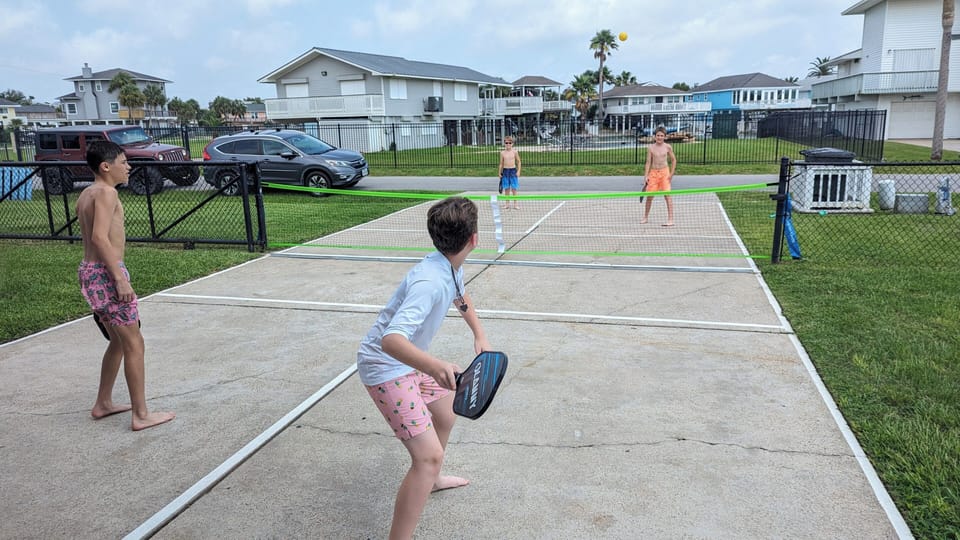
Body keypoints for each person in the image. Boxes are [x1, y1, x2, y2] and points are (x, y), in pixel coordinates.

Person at [357, 197, 491, 540]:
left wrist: (479, 334)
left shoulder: (449, 265)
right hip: (386, 366)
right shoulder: (428, 283)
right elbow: (392, 340)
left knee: (445, 413)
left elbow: (461, 296)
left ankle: (432, 479)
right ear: (474, 238)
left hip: (406, 360)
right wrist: (433, 366)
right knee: (427, 456)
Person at [76, 140, 175, 431]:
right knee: (134, 343)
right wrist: (119, 278)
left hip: (91, 272)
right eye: (123, 162)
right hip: (107, 274)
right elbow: (99, 238)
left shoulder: (87, 193)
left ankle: (103, 403)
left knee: (118, 342)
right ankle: (141, 415)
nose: (128, 166)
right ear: (106, 167)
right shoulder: (106, 193)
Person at [641, 126, 677, 226]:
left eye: (661, 135)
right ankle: (645, 217)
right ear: (655, 136)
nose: (659, 137)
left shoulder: (668, 147)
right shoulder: (651, 148)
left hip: (665, 173)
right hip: (653, 173)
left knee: (667, 196)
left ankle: (670, 219)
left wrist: (671, 174)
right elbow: (648, 162)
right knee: (649, 196)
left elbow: (673, 160)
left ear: (664, 137)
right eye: (658, 135)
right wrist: (646, 176)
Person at [498, 136, 522, 209]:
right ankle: (507, 204)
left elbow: (519, 161)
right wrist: (499, 173)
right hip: (505, 171)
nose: (508, 144)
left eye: (509, 143)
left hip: (513, 171)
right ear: (504, 143)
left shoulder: (515, 152)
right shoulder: (502, 153)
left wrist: (518, 171)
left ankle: (515, 204)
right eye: (506, 143)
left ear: (512, 144)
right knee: (506, 188)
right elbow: (501, 163)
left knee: (514, 188)